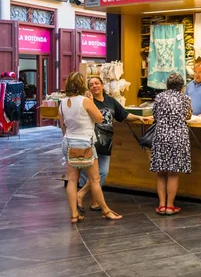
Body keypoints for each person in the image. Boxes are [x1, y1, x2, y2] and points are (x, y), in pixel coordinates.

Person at [77, 77, 151, 213]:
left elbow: (123, 115)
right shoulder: (86, 102)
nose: (94, 86)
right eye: (91, 84)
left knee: (102, 172)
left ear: (102, 85)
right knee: (94, 174)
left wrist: (138, 117)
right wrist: (91, 102)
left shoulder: (110, 101)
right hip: (92, 141)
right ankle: (93, 201)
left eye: (96, 83)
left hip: (106, 142)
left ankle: (82, 194)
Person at [58, 72, 122, 223]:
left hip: (68, 142)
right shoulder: (85, 101)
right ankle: (106, 211)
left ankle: (74, 214)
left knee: (72, 180)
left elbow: (62, 125)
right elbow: (99, 119)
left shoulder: (62, 102)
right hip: (85, 143)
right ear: (82, 85)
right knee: (95, 179)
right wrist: (91, 102)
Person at [151, 73, 192, 215]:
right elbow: (188, 116)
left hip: (161, 136)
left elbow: (155, 115)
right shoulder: (185, 98)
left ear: (167, 85)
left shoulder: (159, 97)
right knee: (173, 173)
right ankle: (170, 206)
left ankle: (161, 205)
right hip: (178, 137)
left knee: (161, 172)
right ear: (181, 86)